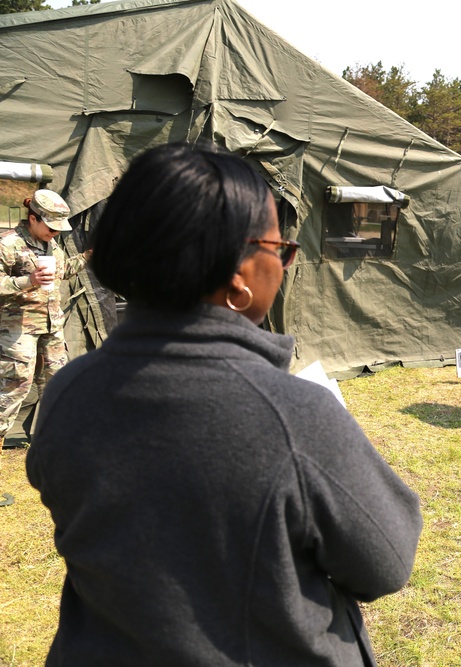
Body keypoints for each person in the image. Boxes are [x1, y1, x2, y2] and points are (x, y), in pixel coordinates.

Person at [26, 143, 422, 666]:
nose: (285, 263)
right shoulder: (295, 416)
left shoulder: (68, 390)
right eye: (281, 248)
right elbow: (386, 562)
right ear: (238, 276)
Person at [0, 189, 90, 448]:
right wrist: (28, 281)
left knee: (58, 386)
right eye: (51, 227)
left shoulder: (51, 244)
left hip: (51, 329)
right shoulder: (9, 244)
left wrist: (87, 256)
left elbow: (64, 271)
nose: (56, 232)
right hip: (18, 331)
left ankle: (57, 449)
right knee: (12, 391)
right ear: (33, 218)